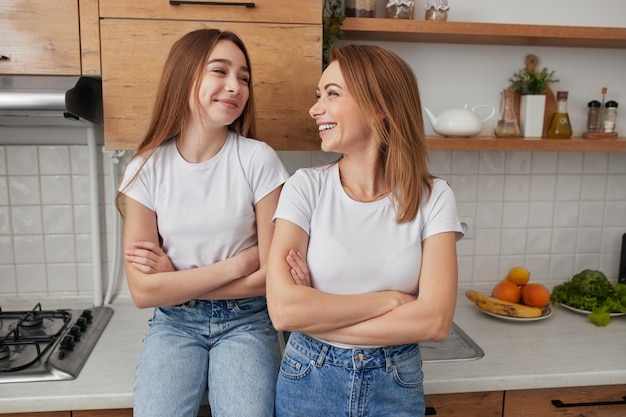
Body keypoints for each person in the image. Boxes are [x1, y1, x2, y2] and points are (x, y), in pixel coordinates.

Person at [266, 44, 463, 417]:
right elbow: (284, 311)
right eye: (318, 95)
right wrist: (389, 300)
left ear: (379, 106)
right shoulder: (304, 187)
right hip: (309, 377)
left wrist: (319, 316)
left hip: (396, 381)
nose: (315, 108)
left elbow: (434, 321)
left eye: (332, 94)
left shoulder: (433, 197)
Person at [117, 29, 289, 417]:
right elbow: (143, 292)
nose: (235, 87)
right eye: (220, 71)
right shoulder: (145, 168)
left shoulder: (258, 160)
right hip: (174, 323)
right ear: (185, 75)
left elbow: (274, 274)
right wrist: (239, 264)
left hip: (247, 321)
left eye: (243, 78)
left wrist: (175, 281)